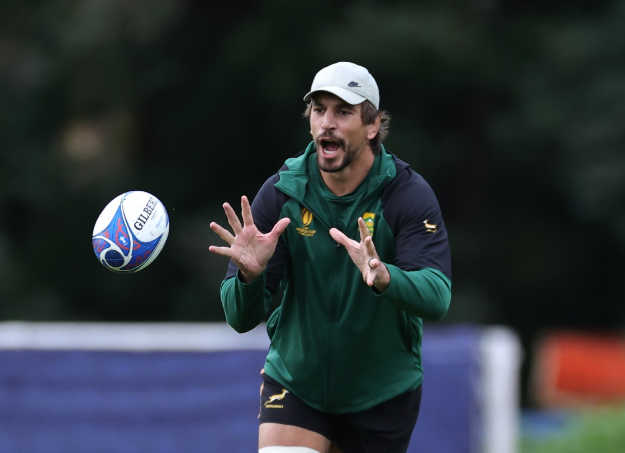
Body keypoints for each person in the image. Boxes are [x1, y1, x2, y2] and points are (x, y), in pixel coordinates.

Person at [209, 62, 452, 453]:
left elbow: (437, 296)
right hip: (296, 382)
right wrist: (248, 279)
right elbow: (239, 319)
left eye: (343, 112)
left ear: (372, 126)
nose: (327, 123)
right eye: (319, 110)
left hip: (381, 392)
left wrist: (385, 276)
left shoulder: (406, 194)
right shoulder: (282, 193)